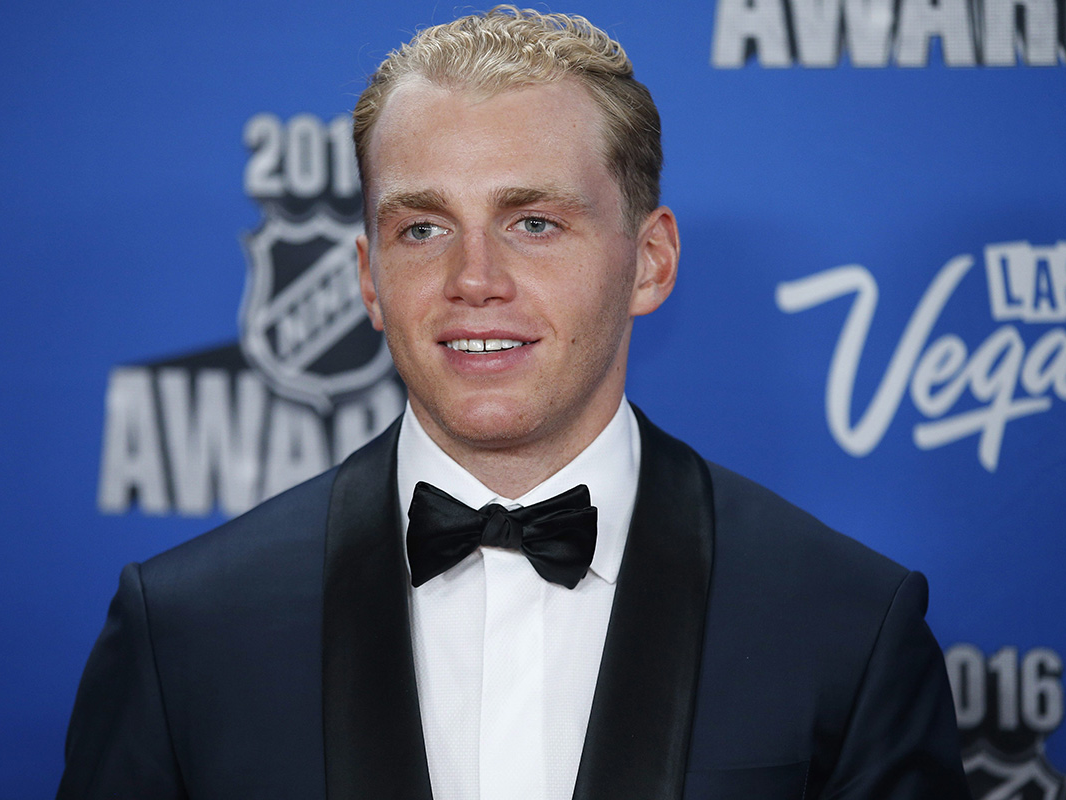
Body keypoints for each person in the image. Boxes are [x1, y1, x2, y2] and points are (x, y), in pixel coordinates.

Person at [58, 7, 971, 799]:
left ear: (649, 262)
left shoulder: (848, 626)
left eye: (534, 223)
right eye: (423, 228)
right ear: (370, 281)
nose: (474, 280)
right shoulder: (183, 631)